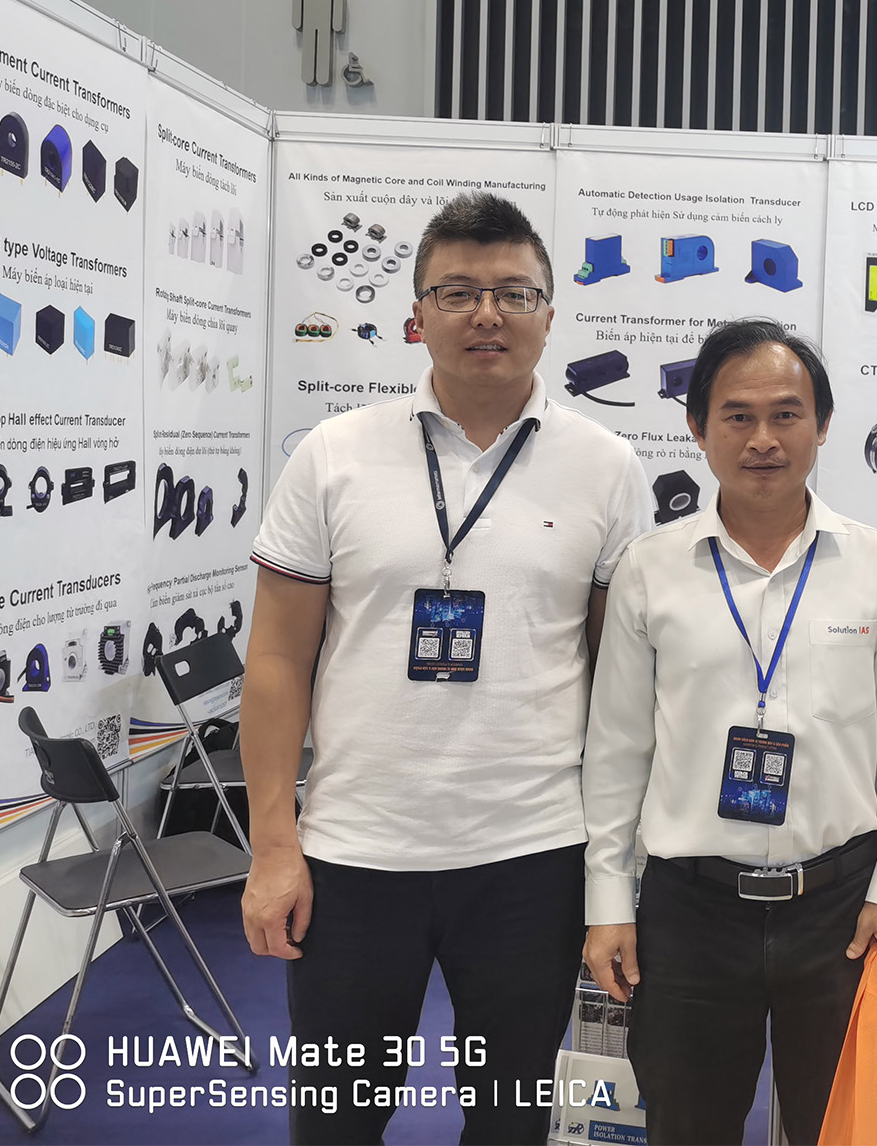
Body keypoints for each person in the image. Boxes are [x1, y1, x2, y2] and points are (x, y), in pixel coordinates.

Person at [240, 193, 651, 1145]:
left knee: (508, 1124)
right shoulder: (334, 455)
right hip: (354, 854)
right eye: (458, 291)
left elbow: (618, 682)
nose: (487, 314)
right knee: (336, 1122)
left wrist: (612, 869)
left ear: (550, 312)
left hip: (531, 856)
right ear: (418, 313)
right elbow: (276, 662)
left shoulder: (607, 466)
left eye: (514, 292)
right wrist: (272, 846)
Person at [581, 319, 877, 1146]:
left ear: (823, 424)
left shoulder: (876, 561)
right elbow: (617, 749)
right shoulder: (649, 568)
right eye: (737, 416)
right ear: (697, 427)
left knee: (843, 1131)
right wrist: (607, 902)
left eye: (786, 414)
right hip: (690, 914)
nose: (763, 439)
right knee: (687, 1126)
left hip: (840, 910)